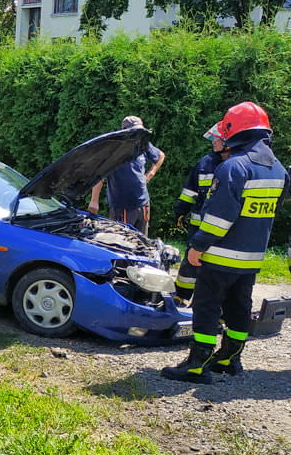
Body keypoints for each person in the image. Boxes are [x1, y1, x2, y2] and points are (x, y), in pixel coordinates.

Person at [162, 102, 289, 384]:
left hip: (219, 256)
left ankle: (197, 365)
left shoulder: (233, 167)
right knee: (239, 308)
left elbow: (220, 217)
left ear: (234, 131)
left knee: (206, 308)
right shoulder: (278, 170)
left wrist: (198, 245)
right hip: (252, 257)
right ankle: (231, 359)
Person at [172, 124, 231, 301]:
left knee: (215, 267)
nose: (213, 143)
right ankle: (181, 295)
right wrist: (181, 210)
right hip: (198, 226)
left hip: (223, 229)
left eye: (216, 139)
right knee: (190, 262)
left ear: (228, 141)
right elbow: (190, 190)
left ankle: (210, 304)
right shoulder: (205, 163)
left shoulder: (236, 164)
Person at [88, 116, 165, 235]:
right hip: (122, 207)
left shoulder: (143, 144)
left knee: (142, 243)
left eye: (139, 131)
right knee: (121, 244)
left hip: (143, 203)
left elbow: (160, 156)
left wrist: (151, 173)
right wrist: (94, 201)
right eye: (134, 131)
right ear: (125, 131)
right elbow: (99, 176)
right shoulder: (112, 150)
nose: (137, 135)